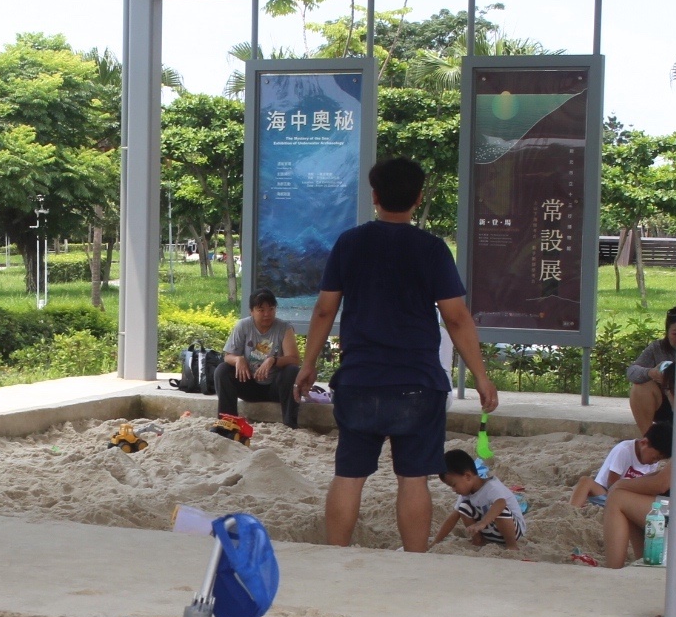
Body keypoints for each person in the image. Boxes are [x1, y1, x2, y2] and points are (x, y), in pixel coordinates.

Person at [293, 158, 499, 553]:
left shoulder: (349, 243)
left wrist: (308, 363)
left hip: (359, 380)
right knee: (413, 479)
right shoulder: (432, 249)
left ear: (374, 196)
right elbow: (456, 317)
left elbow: (324, 309)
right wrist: (481, 375)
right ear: (419, 199)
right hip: (418, 384)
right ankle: (414, 562)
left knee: (349, 475)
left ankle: (334, 555)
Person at [219, 290, 302, 428]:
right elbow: (228, 356)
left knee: (292, 371)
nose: (267, 314)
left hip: (275, 386)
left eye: (271, 309)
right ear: (251, 311)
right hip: (249, 383)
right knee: (222, 370)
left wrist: (273, 360)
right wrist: (238, 359)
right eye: (261, 310)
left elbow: (294, 359)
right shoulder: (243, 326)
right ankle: (227, 422)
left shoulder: (284, 328)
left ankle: (290, 423)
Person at [602, 420, 673, 570]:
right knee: (627, 497)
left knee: (617, 499)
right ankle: (643, 558)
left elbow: (661, 484)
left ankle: (613, 569)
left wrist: (620, 485)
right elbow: (661, 477)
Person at [432, 448, 523, 551]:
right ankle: (478, 540)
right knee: (464, 507)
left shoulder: (492, 487)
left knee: (499, 510)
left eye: (454, 485)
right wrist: (435, 541)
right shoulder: (466, 494)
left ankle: (512, 546)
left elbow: (501, 503)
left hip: (512, 531)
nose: (453, 490)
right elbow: (452, 518)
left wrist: (482, 523)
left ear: (467, 476)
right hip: (490, 531)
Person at [570, 422, 673, 508]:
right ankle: (572, 510)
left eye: (659, 460)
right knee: (585, 481)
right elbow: (612, 484)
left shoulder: (651, 461)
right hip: (605, 493)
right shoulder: (624, 450)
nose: (655, 462)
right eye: (655, 458)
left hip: (628, 499)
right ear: (643, 443)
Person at [627, 307, 676, 433]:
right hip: (665, 403)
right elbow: (632, 371)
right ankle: (649, 440)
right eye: (675, 333)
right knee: (640, 388)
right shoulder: (657, 348)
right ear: (667, 332)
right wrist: (651, 373)